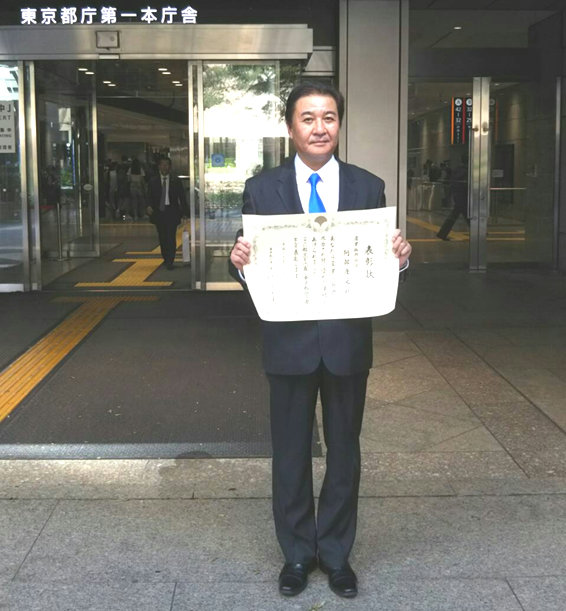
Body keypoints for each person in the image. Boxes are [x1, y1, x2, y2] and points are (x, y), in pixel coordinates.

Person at [229, 82, 411, 599]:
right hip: (288, 343)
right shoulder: (261, 189)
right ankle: (296, 554)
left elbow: (379, 261)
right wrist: (238, 263)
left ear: (339, 124)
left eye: (328, 117)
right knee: (289, 453)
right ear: (290, 127)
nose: (319, 128)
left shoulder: (367, 187)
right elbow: (249, 260)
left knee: (344, 452)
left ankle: (335, 554)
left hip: (346, 343)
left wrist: (400, 259)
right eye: (307, 118)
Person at [147, 156, 188, 269]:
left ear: (170, 166)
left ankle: (170, 260)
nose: (164, 167)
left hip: (172, 211)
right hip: (159, 212)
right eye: (162, 164)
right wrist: (149, 206)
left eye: (167, 164)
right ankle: (165, 258)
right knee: (162, 237)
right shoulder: (153, 181)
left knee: (170, 236)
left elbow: (182, 197)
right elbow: (149, 195)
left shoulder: (175, 181)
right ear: (159, 166)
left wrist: (185, 212)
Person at [436, 154, 469, 241]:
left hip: (457, 195)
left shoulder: (456, 170)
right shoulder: (467, 171)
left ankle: (442, 233)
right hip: (464, 196)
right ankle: (478, 233)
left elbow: (452, 182)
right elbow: (466, 185)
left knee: (460, 215)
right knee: (465, 216)